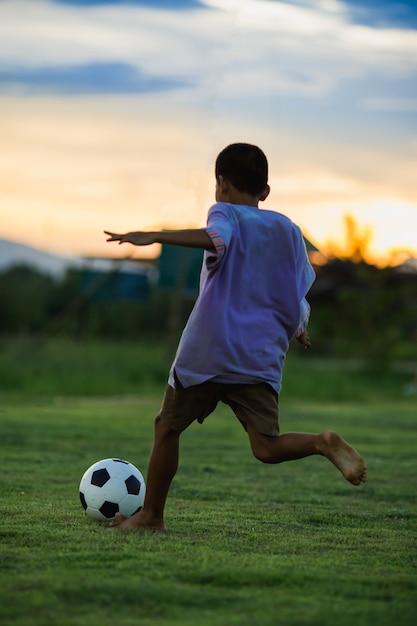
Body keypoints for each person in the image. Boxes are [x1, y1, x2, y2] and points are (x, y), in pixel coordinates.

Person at [105, 142, 366, 532]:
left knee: (167, 428)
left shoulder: (224, 213)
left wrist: (155, 235)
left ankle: (151, 518)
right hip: (259, 356)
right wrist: (299, 329)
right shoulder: (288, 230)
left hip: (209, 349)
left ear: (221, 184)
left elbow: (218, 238)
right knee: (265, 446)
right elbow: (292, 291)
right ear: (265, 191)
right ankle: (319, 442)